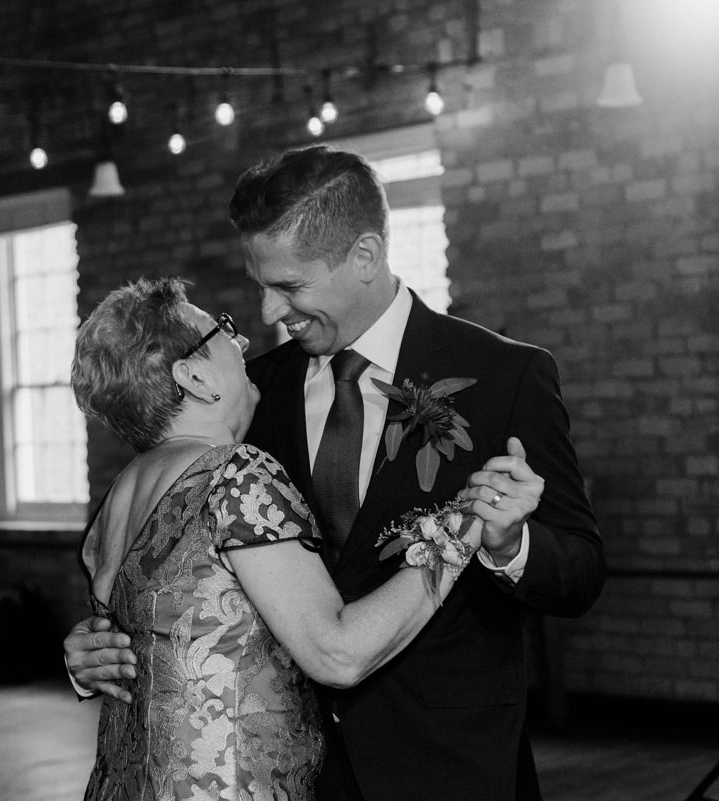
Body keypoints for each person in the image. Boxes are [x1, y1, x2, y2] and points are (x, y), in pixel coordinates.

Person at [66, 145, 605, 800]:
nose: (267, 313)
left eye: (289, 286)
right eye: (260, 284)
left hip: (452, 766)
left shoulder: (503, 376)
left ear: (365, 257)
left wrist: (508, 544)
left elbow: (579, 570)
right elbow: (153, 547)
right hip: (293, 775)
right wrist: (97, 645)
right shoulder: (249, 393)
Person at [70, 276, 487, 801]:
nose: (241, 341)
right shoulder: (234, 474)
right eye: (220, 331)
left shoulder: (122, 491)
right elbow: (338, 654)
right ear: (194, 376)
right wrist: (465, 526)